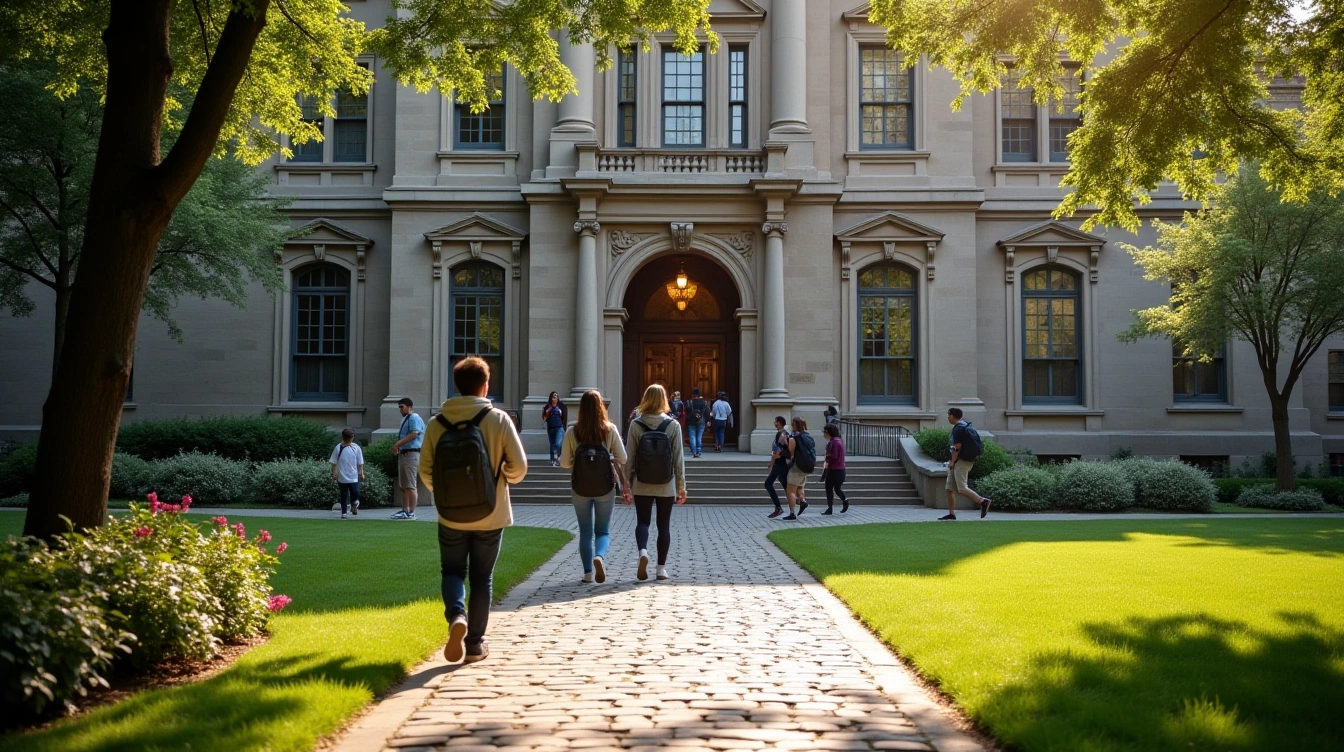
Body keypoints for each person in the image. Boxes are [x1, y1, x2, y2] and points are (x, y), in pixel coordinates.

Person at [419, 356, 528, 665]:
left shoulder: (436, 423)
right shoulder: (499, 419)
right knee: (482, 578)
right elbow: (519, 468)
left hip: (451, 515)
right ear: (485, 385)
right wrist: (502, 478)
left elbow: (425, 470)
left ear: (457, 386)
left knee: (452, 571)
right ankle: (475, 645)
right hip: (491, 513)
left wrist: (445, 494)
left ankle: (456, 615)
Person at [559, 389, 629, 583]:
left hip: (580, 486)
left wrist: (577, 460)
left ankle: (588, 572)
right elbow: (623, 458)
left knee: (585, 532)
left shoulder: (573, 431)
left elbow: (564, 463)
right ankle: (600, 556)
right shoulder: (609, 430)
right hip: (604, 486)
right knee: (603, 531)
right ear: (601, 408)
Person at [624, 384, 686, 581]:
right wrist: (681, 487)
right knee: (664, 525)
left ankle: (643, 551)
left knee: (643, 521)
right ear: (664, 400)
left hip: (642, 482)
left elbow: (629, 457)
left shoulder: (636, 424)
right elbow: (678, 459)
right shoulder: (673, 425)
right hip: (666, 483)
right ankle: (661, 569)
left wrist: (626, 484)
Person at [941, 407, 992, 520]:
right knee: (949, 488)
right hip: (960, 461)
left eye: (948, 415)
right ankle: (951, 513)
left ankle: (983, 501)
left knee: (962, 488)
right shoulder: (965, 425)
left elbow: (957, 447)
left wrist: (952, 462)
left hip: (962, 461)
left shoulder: (958, 429)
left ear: (952, 416)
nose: (948, 417)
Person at [390, 397, 425, 520]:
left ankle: (411, 512)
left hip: (412, 453)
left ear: (409, 407)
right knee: (404, 485)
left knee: (410, 484)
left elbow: (414, 435)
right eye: (399, 407)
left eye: (402, 407)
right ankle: (405, 510)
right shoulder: (406, 419)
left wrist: (397, 445)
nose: (400, 409)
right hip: (405, 453)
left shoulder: (414, 417)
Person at [330, 428, 365, 519]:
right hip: (342, 476)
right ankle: (344, 512)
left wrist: (361, 473)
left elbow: (360, 463)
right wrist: (334, 474)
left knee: (355, 492)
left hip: (353, 475)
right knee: (343, 494)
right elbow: (333, 463)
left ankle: (354, 503)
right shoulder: (338, 448)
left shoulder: (356, 448)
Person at [783, 417, 813, 520]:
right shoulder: (808, 436)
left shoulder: (794, 438)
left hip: (797, 467)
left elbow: (791, 452)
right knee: (800, 487)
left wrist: (786, 442)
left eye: (793, 424)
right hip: (806, 467)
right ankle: (803, 501)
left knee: (790, 491)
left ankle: (792, 513)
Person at [764, 416, 791, 519]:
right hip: (786, 463)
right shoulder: (787, 433)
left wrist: (771, 463)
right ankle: (799, 501)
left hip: (779, 463)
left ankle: (778, 507)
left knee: (768, 483)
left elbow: (776, 452)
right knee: (785, 484)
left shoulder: (780, 434)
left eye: (775, 422)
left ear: (779, 423)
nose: (774, 423)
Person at [821, 424, 848, 515]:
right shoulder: (838, 441)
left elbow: (834, 456)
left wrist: (827, 459)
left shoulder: (834, 442)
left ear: (828, 432)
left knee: (829, 488)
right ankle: (844, 501)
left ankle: (830, 508)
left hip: (834, 470)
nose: (823, 434)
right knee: (837, 489)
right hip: (840, 470)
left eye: (824, 432)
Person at [543, 392, 567, 467]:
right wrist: (547, 412)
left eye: (556, 396)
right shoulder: (547, 407)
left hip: (559, 427)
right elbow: (544, 419)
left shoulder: (561, 406)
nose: (555, 397)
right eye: (553, 396)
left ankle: (557, 458)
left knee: (557, 444)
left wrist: (564, 427)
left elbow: (564, 417)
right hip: (551, 428)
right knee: (552, 445)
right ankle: (553, 459)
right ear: (551, 398)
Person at [685, 388, 709, 458]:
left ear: (693, 395)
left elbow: (687, 412)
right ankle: (699, 451)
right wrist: (708, 420)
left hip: (691, 421)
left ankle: (694, 452)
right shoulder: (704, 402)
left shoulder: (689, 402)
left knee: (692, 436)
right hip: (701, 421)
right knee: (699, 436)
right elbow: (706, 412)